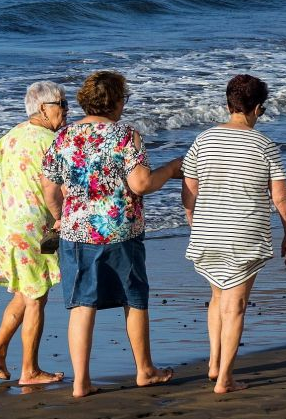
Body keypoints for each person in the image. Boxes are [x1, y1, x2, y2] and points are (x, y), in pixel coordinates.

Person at [41, 71, 181, 398]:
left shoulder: (64, 137)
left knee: (82, 303)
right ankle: (145, 370)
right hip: (121, 227)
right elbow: (141, 183)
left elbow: (49, 184)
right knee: (133, 297)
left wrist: (59, 216)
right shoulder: (124, 134)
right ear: (116, 101)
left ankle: (81, 381)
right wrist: (172, 170)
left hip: (77, 230)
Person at [181, 74, 286, 394]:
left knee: (218, 295)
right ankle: (225, 378)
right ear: (257, 108)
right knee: (236, 304)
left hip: (207, 232)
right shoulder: (264, 146)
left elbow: (189, 187)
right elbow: (281, 197)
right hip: (244, 234)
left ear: (229, 103)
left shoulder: (203, 139)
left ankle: (215, 362)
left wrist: (194, 219)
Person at [0, 81, 67, 385]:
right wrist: (61, 218)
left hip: (4, 223)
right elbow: (55, 187)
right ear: (44, 108)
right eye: (62, 104)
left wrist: (11, 185)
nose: (66, 111)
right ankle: (30, 370)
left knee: (24, 292)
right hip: (33, 227)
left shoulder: (11, 135)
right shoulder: (51, 141)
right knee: (36, 297)